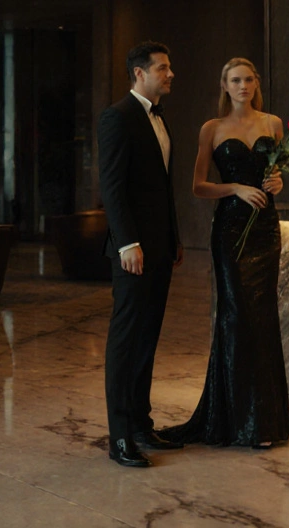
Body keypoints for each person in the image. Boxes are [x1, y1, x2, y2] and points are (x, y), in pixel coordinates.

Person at [162, 57, 289, 449]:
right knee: (237, 317)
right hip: (232, 231)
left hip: (265, 229)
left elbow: (275, 175)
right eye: (235, 80)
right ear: (224, 85)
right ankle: (239, 421)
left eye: (248, 79)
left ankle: (265, 424)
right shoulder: (212, 129)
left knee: (263, 317)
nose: (243, 86)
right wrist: (236, 188)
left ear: (256, 83)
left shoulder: (273, 124)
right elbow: (198, 186)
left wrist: (277, 183)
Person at [97, 41, 185, 468]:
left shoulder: (161, 118)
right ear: (139, 73)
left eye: (169, 67)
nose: (170, 74)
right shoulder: (117, 117)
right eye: (162, 68)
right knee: (126, 341)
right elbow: (112, 187)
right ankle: (119, 437)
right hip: (132, 251)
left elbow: (162, 188)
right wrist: (127, 243)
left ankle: (140, 425)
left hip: (160, 249)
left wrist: (173, 238)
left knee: (147, 339)